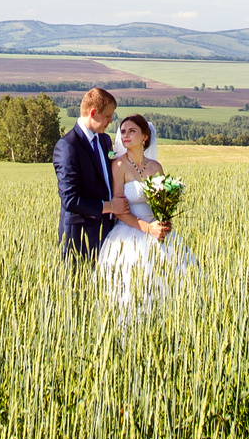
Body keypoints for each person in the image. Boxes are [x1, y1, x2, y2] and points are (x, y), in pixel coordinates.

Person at [94, 113, 181, 315]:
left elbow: (162, 202)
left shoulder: (155, 167)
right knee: (131, 291)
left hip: (157, 232)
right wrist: (146, 228)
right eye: (123, 131)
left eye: (132, 131)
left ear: (145, 136)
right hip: (129, 232)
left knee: (165, 286)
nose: (125, 135)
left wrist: (163, 223)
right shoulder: (118, 165)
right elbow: (119, 209)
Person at [53, 87, 125, 259]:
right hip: (79, 237)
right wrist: (110, 206)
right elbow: (70, 199)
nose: (110, 121)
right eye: (107, 116)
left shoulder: (104, 139)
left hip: (108, 232)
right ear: (93, 113)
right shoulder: (68, 146)